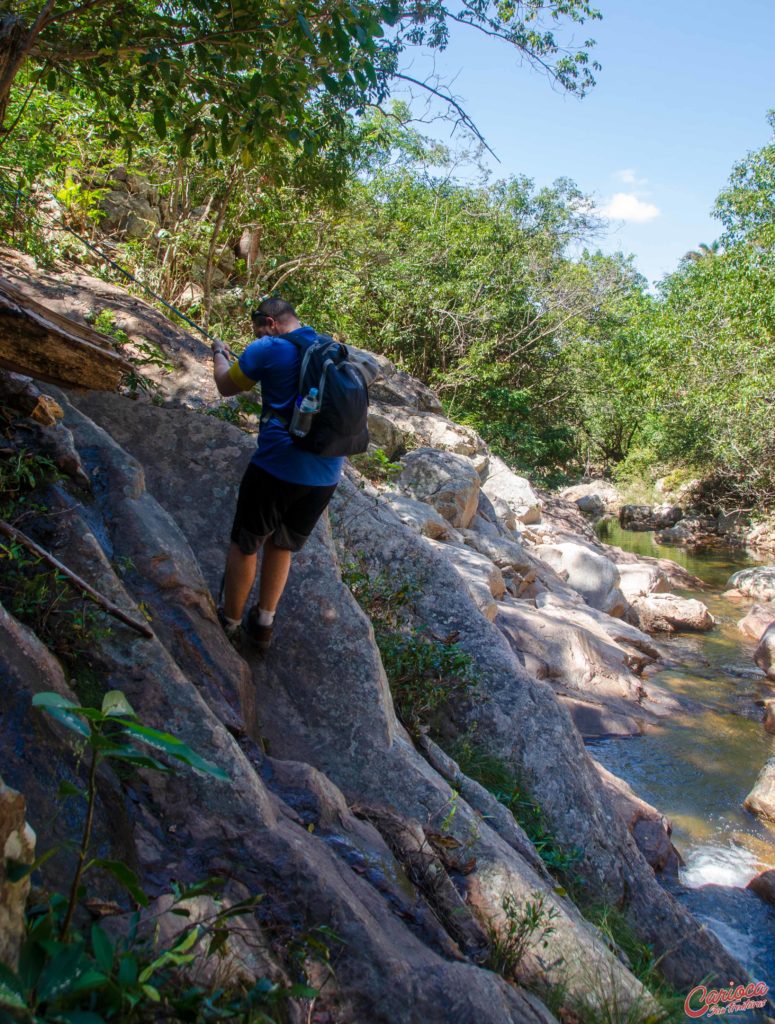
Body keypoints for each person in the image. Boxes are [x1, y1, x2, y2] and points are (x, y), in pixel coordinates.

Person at [210, 298, 344, 651]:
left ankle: (230, 622)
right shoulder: (327, 346)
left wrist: (219, 353)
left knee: (246, 542)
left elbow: (226, 385)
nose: (256, 335)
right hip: (326, 474)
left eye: (257, 328)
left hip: (277, 467)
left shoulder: (267, 347)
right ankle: (264, 624)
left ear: (269, 322)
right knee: (282, 543)